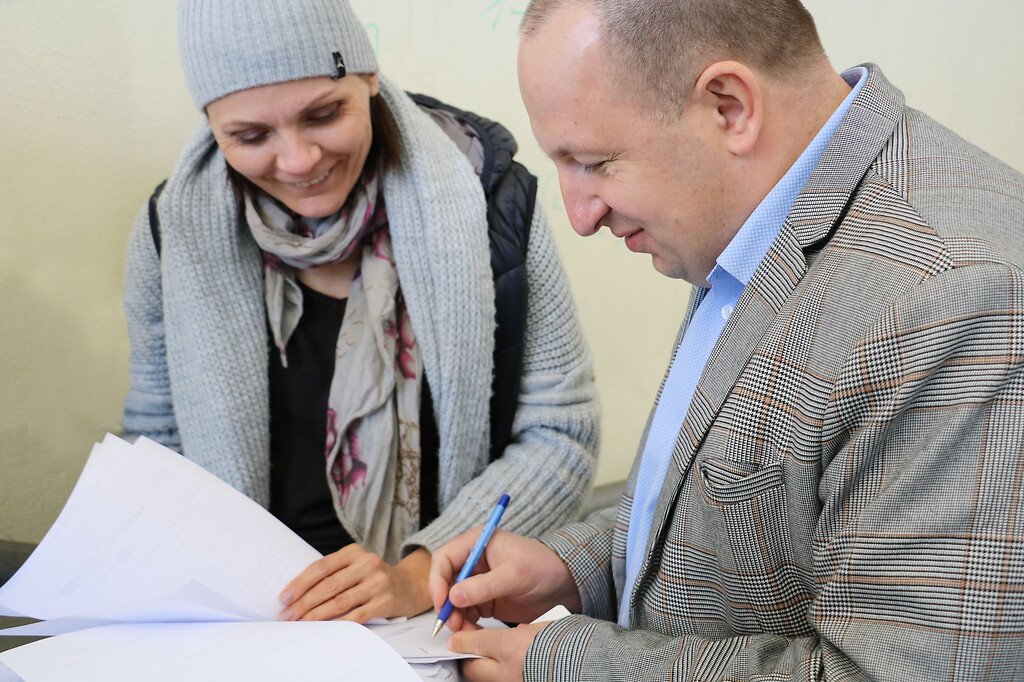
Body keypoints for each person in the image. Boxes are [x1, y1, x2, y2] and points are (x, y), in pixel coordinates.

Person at [429, 0, 1024, 680]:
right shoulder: (757, 210)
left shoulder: (959, 300)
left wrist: (570, 665)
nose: (580, 215)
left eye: (594, 162)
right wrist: (578, 565)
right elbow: (750, 505)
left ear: (730, 108)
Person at [121, 0, 600, 626]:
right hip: (245, 626)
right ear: (211, 126)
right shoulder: (171, 232)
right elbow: (156, 447)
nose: (298, 160)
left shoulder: (493, 202)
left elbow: (560, 435)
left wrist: (420, 574)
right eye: (250, 136)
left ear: (369, 78)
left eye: (323, 115)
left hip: (434, 619)